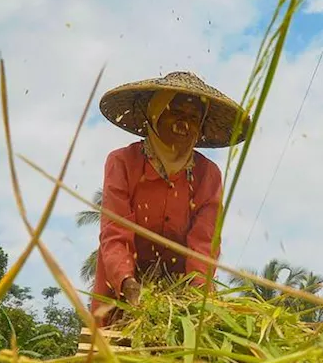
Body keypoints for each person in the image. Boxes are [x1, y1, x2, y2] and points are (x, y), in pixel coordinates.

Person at [89, 71, 251, 325]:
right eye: (175, 112)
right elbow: (115, 233)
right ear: (155, 114)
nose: (183, 123)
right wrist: (129, 285)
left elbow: (204, 245)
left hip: (181, 297)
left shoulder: (207, 174)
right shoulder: (122, 162)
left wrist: (194, 299)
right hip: (122, 291)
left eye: (193, 118)